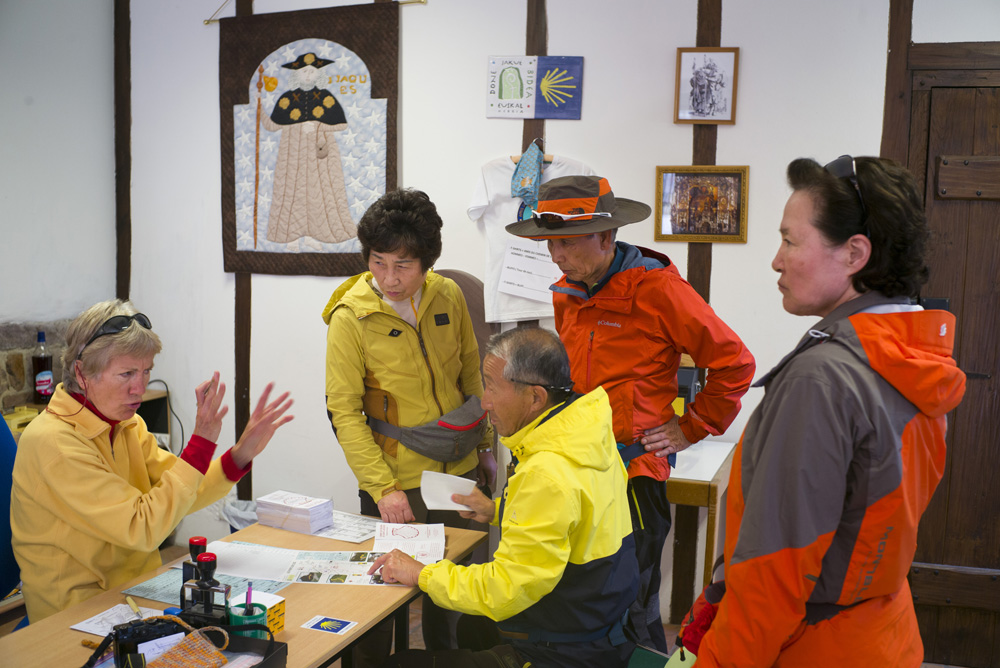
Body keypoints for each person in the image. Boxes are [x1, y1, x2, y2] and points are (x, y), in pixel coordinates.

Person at [694, 156, 966, 666]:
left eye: (790, 241)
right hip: (880, 634)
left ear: (854, 254)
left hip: (810, 644)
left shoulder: (821, 379)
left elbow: (773, 572)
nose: (776, 260)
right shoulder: (914, 357)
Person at [505, 174, 756, 651]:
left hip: (635, 470)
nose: (556, 257)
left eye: (567, 243)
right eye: (549, 244)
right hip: (582, 471)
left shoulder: (657, 289)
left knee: (633, 601)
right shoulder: (568, 292)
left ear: (606, 235)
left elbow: (734, 362)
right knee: (585, 600)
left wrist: (690, 427)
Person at [10, 299, 293, 622]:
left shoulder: (127, 425)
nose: (140, 388)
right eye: (127, 373)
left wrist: (241, 454)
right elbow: (142, 526)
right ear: (82, 372)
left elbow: (182, 495)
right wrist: (200, 443)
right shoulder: (54, 441)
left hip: (136, 594)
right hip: (74, 616)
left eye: (146, 372)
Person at [370, 327, 638, 668]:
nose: (484, 402)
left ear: (536, 398)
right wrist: (498, 510)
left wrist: (422, 573)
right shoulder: (586, 435)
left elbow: (504, 589)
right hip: (599, 622)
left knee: (398, 665)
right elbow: (573, 519)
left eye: (492, 387)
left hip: (566, 650)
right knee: (472, 628)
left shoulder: (546, 471)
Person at [322, 188, 496, 660]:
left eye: (403, 265)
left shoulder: (448, 294)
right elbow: (344, 411)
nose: (389, 278)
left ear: (427, 261)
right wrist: (383, 489)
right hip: (397, 481)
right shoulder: (351, 316)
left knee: (455, 596)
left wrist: (483, 448)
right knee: (377, 601)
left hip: (455, 472)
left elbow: (470, 375)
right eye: (378, 262)